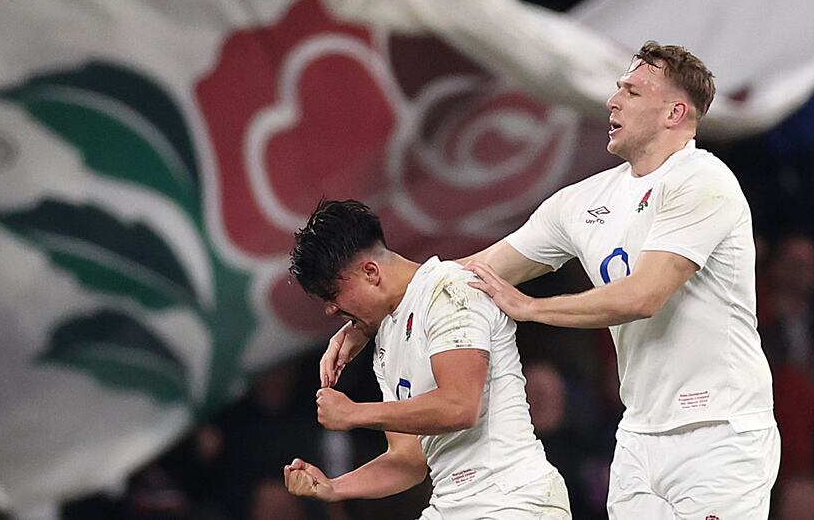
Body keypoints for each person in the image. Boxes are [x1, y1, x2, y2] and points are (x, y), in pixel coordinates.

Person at [320, 42, 780, 519]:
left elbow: (644, 296)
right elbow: (470, 274)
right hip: (639, 436)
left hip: (718, 428)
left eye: (632, 92)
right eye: (618, 88)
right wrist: (373, 317)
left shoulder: (703, 181)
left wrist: (532, 307)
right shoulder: (582, 202)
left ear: (674, 113)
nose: (612, 101)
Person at [285, 199, 571, 519]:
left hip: (514, 499)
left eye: (331, 294)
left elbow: (460, 406)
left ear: (371, 272)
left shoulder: (448, 290)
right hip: (451, 506)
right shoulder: (386, 339)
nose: (330, 310)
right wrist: (333, 487)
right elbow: (407, 461)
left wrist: (355, 413)